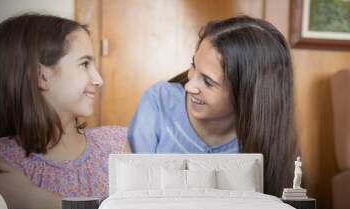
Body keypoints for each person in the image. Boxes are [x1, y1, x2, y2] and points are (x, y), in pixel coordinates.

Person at [0, 14, 127, 209]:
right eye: (84, 64)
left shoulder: (118, 144)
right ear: (42, 76)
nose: (98, 79)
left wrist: (37, 200)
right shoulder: (4, 159)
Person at [128, 16, 298, 197]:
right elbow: (132, 193)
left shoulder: (268, 140)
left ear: (246, 94)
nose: (189, 86)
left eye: (208, 82)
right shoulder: (158, 102)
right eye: (193, 65)